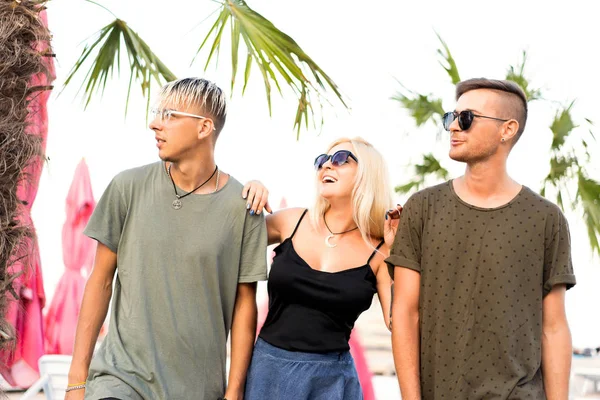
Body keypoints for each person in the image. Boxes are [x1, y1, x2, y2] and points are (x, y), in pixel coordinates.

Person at [66, 77, 271, 400]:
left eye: (170, 115)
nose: (154, 124)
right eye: (157, 112)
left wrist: (233, 394)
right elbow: (100, 281)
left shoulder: (243, 207)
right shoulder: (127, 187)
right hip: (120, 379)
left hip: (197, 389)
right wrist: (77, 382)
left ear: (204, 127)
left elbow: (245, 306)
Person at [386, 78, 577, 399]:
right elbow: (405, 313)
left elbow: (554, 327)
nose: (453, 128)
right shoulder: (422, 208)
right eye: (451, 117)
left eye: (466, 118)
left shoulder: (546, 219)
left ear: (508, 129)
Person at [243, 137, 401, 400]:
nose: (326, 166)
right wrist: (249, 194)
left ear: (368, 175)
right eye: (322, 161)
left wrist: (398, 255)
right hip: (268, 372)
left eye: (340, 159)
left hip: (332, 383)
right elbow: (230, 238)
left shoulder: (380, 252)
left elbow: (398, 322)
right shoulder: (291, 221)